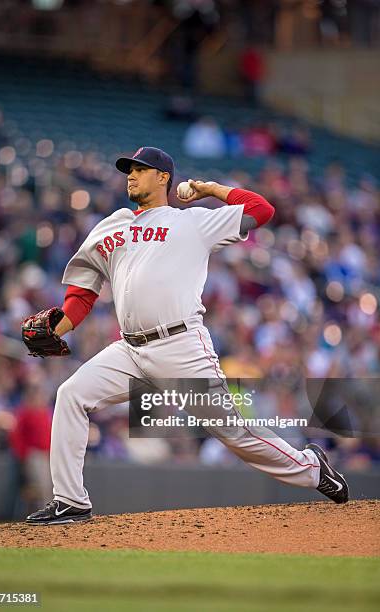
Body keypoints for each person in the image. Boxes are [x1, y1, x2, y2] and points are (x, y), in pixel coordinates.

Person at [25, 146, 349, 525]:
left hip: (180, 345)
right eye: (129, 170)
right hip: (128, 350)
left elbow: (262, 210)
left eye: (140, 170)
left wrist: (211, 189)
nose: (130, 175)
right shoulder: (112, 225)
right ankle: (70, 501)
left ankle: (313, 468)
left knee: (234, 433)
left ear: (163, 177)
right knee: (71, 395)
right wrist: (58, 327)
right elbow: (83, 292)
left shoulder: (193, 222)